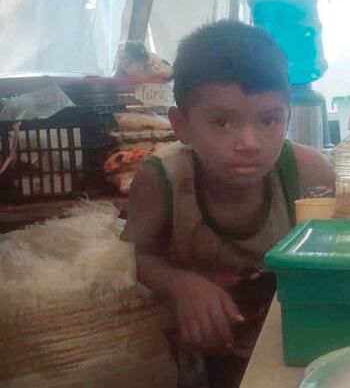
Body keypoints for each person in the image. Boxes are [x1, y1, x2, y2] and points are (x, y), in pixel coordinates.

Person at [121, 20, 333, 387]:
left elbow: (337, 256)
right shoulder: (162, 180)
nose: (249, 142)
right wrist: (181, 284)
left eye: (269, 119)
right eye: (221, 122)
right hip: (196, 352)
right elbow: (133, 257)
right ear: (181, 124)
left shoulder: (307, 173)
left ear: (289, 117)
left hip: (290, 347)